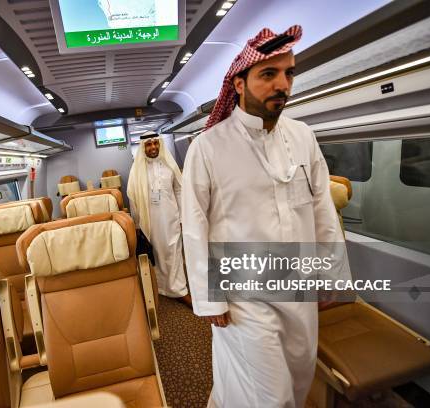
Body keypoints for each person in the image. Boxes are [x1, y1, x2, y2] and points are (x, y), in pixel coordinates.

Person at [181, 26, 349, 407]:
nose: (283, 85)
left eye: (289, 74)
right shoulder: (207, 148)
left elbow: (322, 207)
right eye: (268, 74)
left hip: (300, 286)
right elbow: (194, 225)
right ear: (239, 83)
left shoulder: (304, 135)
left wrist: (332, 275)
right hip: (244, 294)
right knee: (272, 397)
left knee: (298, 376)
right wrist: (210, 299)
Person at [127, 131, 191, 305]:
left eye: (156, 143)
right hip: (151, 221)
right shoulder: (137, 170)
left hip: (171, 217)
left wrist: (183, 218)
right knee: (158, 254)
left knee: (175, 252)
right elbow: (133, 198)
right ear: (143, 147)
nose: (153, 147)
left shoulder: (169, 164)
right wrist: (138, 225)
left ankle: (179, 289)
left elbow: (179, 190)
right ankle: (163, 287)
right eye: (149, 144)